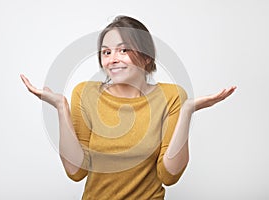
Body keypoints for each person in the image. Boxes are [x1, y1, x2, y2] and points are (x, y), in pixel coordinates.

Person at [20, 15, 236, 200]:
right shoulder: (85, 93)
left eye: (123, 50)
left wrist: (187, 111)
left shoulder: (171, 96)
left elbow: (169, 176)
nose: (112, 59)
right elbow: (76, 172)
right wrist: (61, 107)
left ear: (146, 56)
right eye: (106, 52)